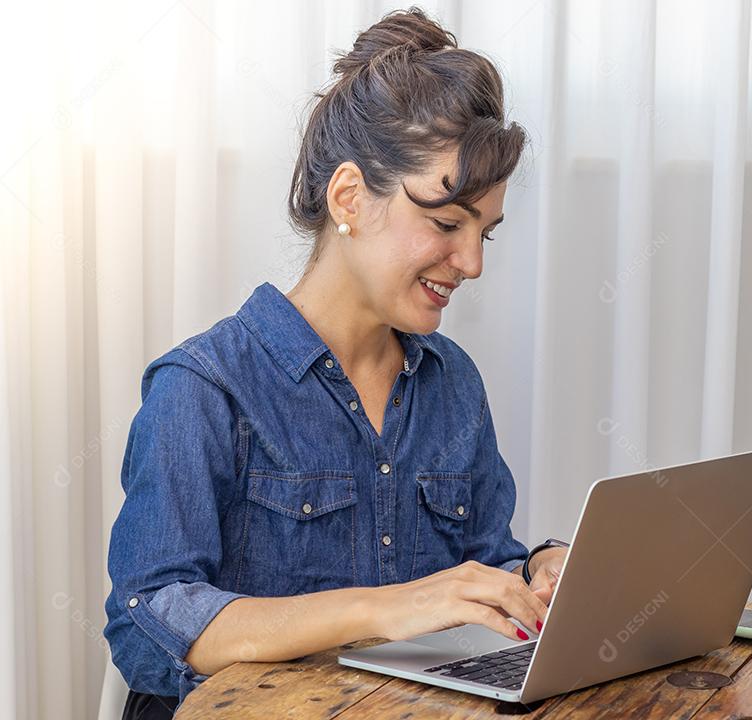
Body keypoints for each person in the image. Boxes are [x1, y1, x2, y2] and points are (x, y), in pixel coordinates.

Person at [104, 8, 568, 717]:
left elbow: (483, 561)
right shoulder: (203, 389)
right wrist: (384, 609)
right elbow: (149, 620)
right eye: (447, 224)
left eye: (485, 234)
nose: (470, 263)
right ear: (349, 197)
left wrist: (536, 572)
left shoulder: (452, 383)